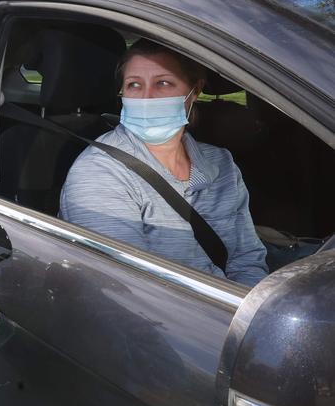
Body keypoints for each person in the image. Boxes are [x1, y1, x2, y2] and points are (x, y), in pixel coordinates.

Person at [59, 39, 268, 287]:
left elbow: (247, 259)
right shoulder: (98, 173)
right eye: (134, 85)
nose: (147, 98)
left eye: (163, 83)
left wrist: (249, 317)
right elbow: (128, 286)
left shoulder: (221, 163)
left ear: (195, 91)